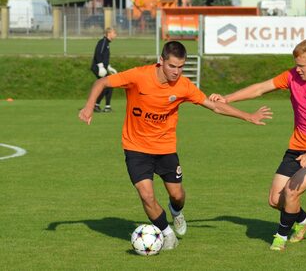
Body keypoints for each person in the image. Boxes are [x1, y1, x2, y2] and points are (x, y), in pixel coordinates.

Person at [79, 41, 272, 250]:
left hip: (165, 148)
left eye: (181, 67)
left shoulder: (183, 86)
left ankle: (176, 212)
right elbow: (102, 83)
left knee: (177, 195)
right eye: (172, 66)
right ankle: (166, 233)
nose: (176, 72)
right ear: (161, 61)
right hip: (136, 147)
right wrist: (89, 107)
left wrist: (248, 116)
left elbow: (214, 106)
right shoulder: (139, 76)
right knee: (146, 194)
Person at [209, 38, 306, 251]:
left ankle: (280, 238)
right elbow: (260, 88)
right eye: (296, 64)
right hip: (297, 147)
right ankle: (304, 219)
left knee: (292, 192)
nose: (297, 69)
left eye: (302, 65)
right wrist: (227, 99)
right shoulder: (291, 76)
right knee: (275, 200)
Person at [90, 27, 118, 113]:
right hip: (98, 68)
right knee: (108, 85)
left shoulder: (107, 43)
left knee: (108, 86)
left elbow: (104, 57)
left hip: (102, 68)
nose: (115, 35)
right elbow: (98, 54)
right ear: (109, 33)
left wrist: (109, 67)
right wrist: (101, 66)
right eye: (114, 33)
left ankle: (103, 106)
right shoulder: (103, 42)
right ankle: (99, 106)